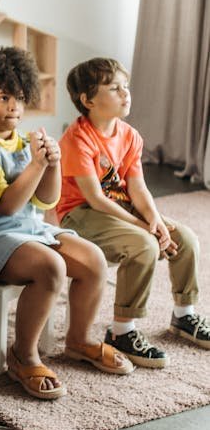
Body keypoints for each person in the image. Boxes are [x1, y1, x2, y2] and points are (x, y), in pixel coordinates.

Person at [0, 47, 133, 400]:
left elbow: (45, 201)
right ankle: (23, 355)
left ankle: (79, 340)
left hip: (28, 228)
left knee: (93, 259)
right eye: (3, 97)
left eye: (18, 97)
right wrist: (36, 164)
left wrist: (53, 163)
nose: (14, 106)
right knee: (51, 266)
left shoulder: (22, 141)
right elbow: (6, 206)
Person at [57, 57, 209, 363]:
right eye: (114, 88)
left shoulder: (129, 136)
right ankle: (122, 330)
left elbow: (138, 188)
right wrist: (143, 229)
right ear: (87, 100)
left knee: (186, 238)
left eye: (125, 86)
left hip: (119, 206)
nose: (125, 93)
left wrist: (155, 220)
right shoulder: (77, 139)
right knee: (143, 245)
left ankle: (184, 315)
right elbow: (96, 198)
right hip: (81, 213)